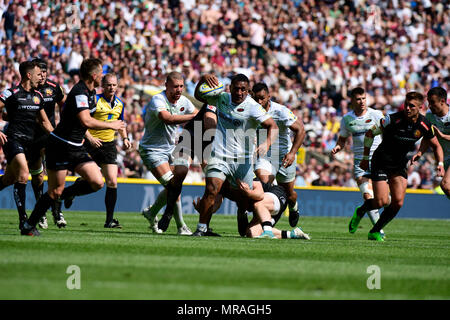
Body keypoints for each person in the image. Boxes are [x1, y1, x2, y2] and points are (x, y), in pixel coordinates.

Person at [20, 58, 125, 236]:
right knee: (54, 192)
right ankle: (29, 225)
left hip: (76, 146)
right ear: (94, 75)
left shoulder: (90, 92)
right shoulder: (80, 91)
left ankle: (68, 194)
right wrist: (111, 125)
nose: (102, 76)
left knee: (98, 182)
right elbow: (85, 120)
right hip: (60, 145)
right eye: (100, 72)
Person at [350, 92, 444, 241]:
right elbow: (369, 134)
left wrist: (439, 163)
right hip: (381, 161)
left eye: (411, 106)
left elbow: (436, 146)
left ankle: (375, 230)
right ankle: (361, 211)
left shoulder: (424, 124)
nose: (407, 108)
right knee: (381, 202)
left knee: (398, 203)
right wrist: (365, 158)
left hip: (399, 164)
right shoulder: (391, 119)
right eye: (406, 104)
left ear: (420, 107)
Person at [192, 73, 278, 236]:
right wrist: (203, 78)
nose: (239, 92)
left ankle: (242, 212)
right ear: (230, 88)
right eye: (236, 88)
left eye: (243, 89)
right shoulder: (221, 98)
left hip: (243, 161)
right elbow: (198, 95)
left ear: (248, 91)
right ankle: (201, 229)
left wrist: (266, 143)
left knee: (246, 200)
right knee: (211, 189)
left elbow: (272, 126)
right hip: (219, 156)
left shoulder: (253, 107)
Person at [140, 71, 197, 235]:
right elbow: (167, 118)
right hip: (152, 150)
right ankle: (181, 226)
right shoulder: (157, 100)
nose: (178, 90)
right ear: (166, 86)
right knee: (174, 187)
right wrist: (193, 116)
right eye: (175, 87)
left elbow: (195, 121)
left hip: (171, 149)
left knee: (174, 185)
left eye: (181, 86)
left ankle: (152, 212)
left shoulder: (184, 101)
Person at [0, 60, 53, 230]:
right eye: (38, 74)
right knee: (23, 174)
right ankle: (24, 222)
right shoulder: (11, 93)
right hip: (13, 140)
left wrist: (59, 139)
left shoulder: (38, 96)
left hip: (29, 144)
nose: (41, 77)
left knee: (9, 179)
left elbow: (45, 122)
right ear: (29, 75)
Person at [331, 87, 386, 237]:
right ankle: (378, 231)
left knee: (386, 200)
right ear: (352, 101)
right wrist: (338, 147)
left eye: (363, 98)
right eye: (358, 99)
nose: (361, 102)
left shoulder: (376, 114)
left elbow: (387, 133)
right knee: (368, 194)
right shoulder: (347, 119)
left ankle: (361, 210)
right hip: (360, 163)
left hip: (379, 161)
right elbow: (342, 139)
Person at [252, 82, 306, 228]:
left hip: (284, 156)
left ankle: (293, 206)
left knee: (289, 194)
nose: (259, 102)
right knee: (263, 181)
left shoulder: (280, 111)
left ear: (269, 97)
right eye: (256, 98)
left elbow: (301, 130)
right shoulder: (251, 109)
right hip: (266, 155)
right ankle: (266, 217)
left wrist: (292, 153)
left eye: (262, 98)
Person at [83, 73, 132, 228]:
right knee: (92, 180)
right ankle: (69, 193)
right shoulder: (94, 100)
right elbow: (82, 121)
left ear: (117, 86)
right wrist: (90, 138)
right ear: (102, 86)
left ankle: (109, 220)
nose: (111, 88)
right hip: (91, 143)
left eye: (114, 85)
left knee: (112, 181)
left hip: (109, 145)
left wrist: (125, 138)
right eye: (108, 85)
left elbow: (120, 124)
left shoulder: (119, 104)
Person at [26, 58, 66, 229]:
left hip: (50, 136)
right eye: (39, 72)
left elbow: (64, 105)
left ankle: (57, 212)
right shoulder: (28, 90)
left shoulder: (54, 88)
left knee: (55, 176)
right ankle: (40, 212)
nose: (42, 75)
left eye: (44, 72)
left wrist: (64, 127)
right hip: (32, 138)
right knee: (38, 178)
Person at [413, 87, 449, 198]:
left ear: (442, 101)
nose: (429, 105)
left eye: (432, 102)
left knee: (445, 185)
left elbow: (439, 136)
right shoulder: (429, 116)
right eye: (428, 102)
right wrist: (420, 152)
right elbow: (427, 137)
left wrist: (442, 136)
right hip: (445, 158)